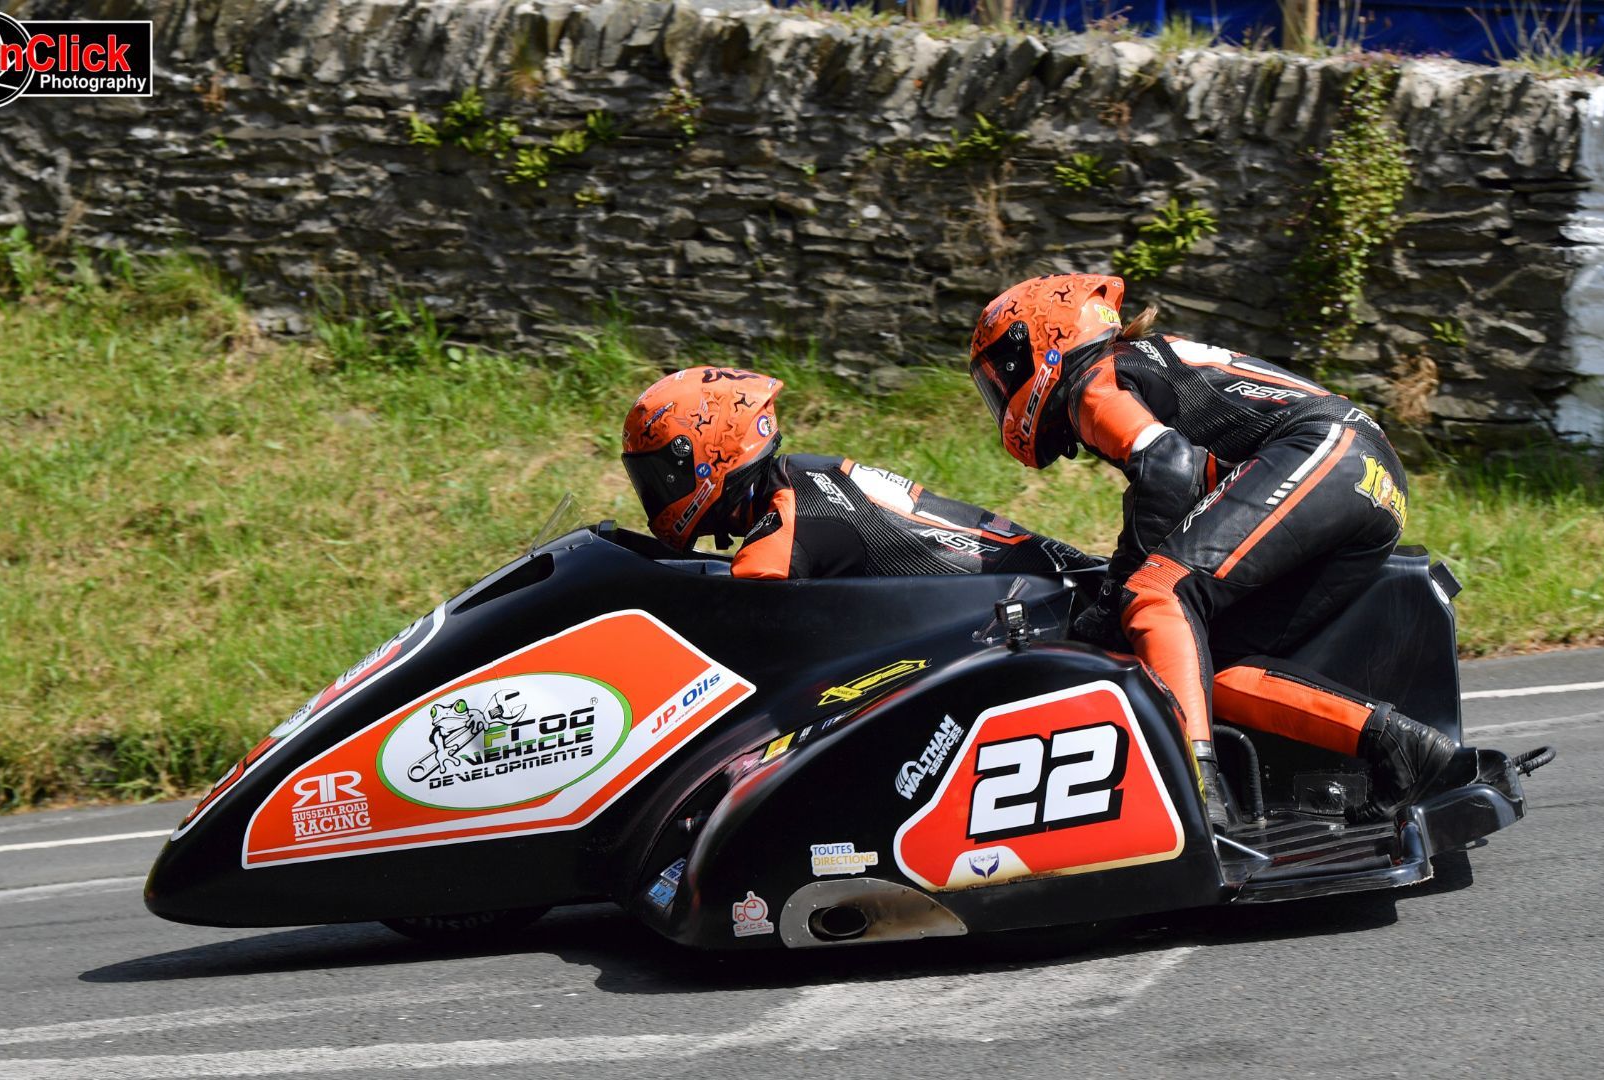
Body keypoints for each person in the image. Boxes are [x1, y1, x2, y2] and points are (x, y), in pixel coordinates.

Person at [967, 272, 1455, 831]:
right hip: (1366, 478)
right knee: (1193, 665)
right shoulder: (1135, 363)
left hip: (1328, 453)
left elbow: (1169, 470)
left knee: (1157, 596)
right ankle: (1405, 749)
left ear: (1044, 340)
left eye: (1002, 372)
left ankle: (1194, 796)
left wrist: (1116, 594)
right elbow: (1186, 480)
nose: (1001, 391)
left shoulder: (1093, 381)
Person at [621, 365, 1094, 580]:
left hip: (1032, 600)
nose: (657, 491)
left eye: (662, 474)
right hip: (1049, 570)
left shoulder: (783, 524)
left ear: (707, 453)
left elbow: (732, 623)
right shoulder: (802, 475)